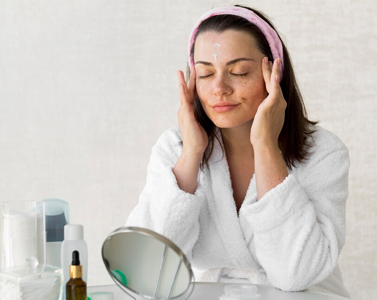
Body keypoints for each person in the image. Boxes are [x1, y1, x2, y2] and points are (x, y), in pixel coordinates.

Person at [127, 5, 350, 298]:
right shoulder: (174, 149)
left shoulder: (323, 152)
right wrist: (192, 152)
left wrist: (267, 147)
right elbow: (146, 266)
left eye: (239, 71)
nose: (219, 88)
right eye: (206, 73)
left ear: (275, 73)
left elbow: (296, 273)